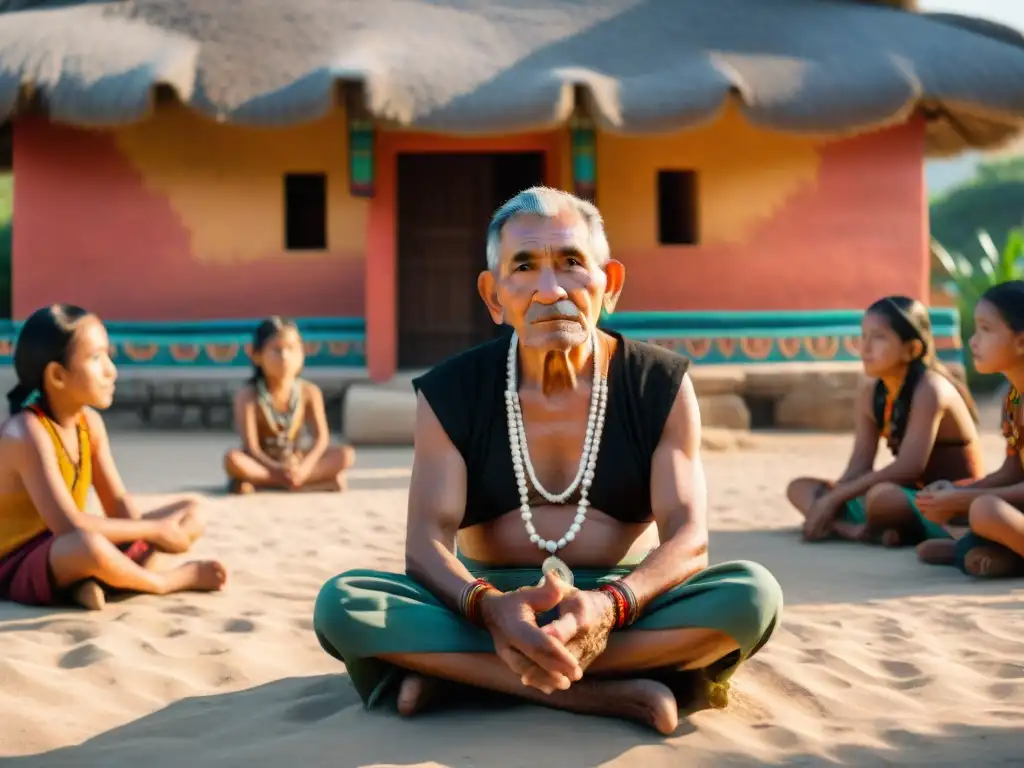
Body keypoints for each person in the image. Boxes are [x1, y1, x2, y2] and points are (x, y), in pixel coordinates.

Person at [313, 187, 782, 734]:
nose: (550, 289)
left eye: (572, 264)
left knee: (752, 597)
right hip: (483, 606)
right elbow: (426, 545)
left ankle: (465, 676)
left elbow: (688, 539)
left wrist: (609, 608)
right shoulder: (451, 391)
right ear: (493, 296)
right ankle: (606, 693)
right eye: (525, 267)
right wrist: (489, 609)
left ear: (610, 284)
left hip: (624, 602)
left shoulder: (659, 385)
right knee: (343, 603)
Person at [0, 305, 227, 610]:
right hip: (17, 562)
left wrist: (145, 535)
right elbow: (70, 525)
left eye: (108, 355)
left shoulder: (89, 423)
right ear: (57, 375)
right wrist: (153, 532)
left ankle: (91, 582)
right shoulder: (26, 432)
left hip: (65, 545)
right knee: (87, 546)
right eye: (96, 358)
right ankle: (164, 582)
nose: (112, 370)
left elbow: (117, 503)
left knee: (192, 509)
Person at [787, 296, 983, 546]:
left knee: (882, 498)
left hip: (946, 503)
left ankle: (867, 528)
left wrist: (834, 501)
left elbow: (908, 468)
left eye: (878, 337)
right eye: (864, 335)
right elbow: (859, 466)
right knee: (799, 488)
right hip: (907, 495)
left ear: (911, 349)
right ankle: (856, 529)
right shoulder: (871, 393)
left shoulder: (931, 389)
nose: (865, 348)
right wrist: (831, 497)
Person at [914, 281, 1024, 578]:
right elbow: (1013, 472)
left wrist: (964, 500)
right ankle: (1000, 554)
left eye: (986, 330)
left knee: (985, 511)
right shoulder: (1013, 398)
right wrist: (956, 492)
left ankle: (1003, 556)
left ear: (1021, 342)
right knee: (932, 545)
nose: (973, 341)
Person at [223, 316, 355, 493]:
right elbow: (252, 448)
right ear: (257, 356)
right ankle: (306, 483)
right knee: (233, 459)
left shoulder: (309, 392)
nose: (285, 357)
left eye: (291, 349)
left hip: (296, 460)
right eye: (276, 350)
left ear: (302, 353)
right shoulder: (248, 396)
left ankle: (268, 483)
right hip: (264, 462)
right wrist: (278, 470)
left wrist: (304, 467)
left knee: (346, 455)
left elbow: (321, 439)